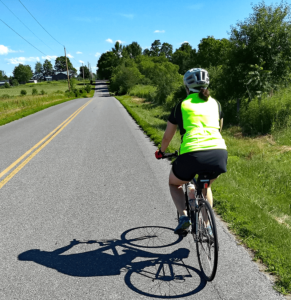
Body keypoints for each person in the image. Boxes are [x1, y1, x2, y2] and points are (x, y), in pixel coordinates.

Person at [155, 68, 228, 235]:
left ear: (186, 87)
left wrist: (161, 151)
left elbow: (167, 136)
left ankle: (184, 216)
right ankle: (208, 226)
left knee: (175, 183)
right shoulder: (216, 103)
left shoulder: (181, 105)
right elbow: (219, 129)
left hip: (191, 153)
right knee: (206, 184)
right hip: (218, 153)